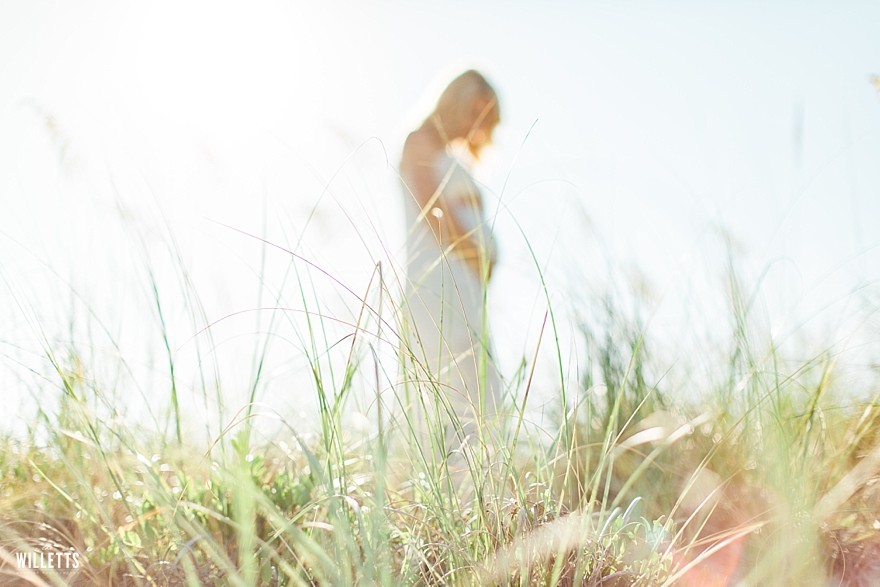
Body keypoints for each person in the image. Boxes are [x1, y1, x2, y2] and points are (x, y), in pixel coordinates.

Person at [399, 70, 502, 463]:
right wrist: (478, 253)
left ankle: (478, 501)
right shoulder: (419, 141)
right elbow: (433, 212)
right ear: (454, 99)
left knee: (480, 398)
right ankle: (453, 501)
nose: (476, 126)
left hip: (464, 290)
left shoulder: (452, 156)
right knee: (451, 401)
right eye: (474, 111)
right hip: (438, 288)